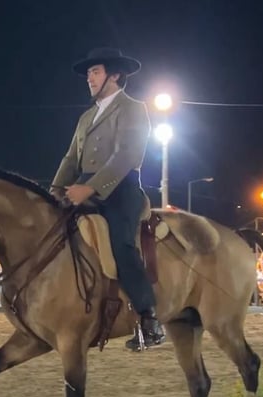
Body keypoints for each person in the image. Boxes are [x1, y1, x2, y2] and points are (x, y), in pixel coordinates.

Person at [50, 47, 164, 351]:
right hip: (83, 186)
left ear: (114, 75)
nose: (89, 78)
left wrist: (90, 189)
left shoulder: (133, 108)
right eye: (88, 73)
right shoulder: (87, 116)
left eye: (95, 72)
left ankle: (148, 316)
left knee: (122, 245)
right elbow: (71, 158)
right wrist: (55, 189)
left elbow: (127, 154)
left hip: (120, 188)